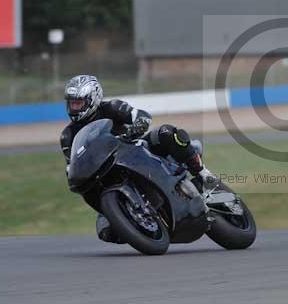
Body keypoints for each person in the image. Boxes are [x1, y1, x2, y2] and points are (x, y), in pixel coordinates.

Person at [59, 75, 216, 243]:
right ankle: (138, 220)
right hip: (108, 171)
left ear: (92, 99)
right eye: (72, 103)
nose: (74, 108)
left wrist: (137, 125)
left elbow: (141, 116)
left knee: (166, 133)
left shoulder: (112, 108)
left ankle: (203, 174)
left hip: (136, 149)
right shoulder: (68, 136)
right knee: (106, 231)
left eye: (78, 103)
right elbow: (72, 163)